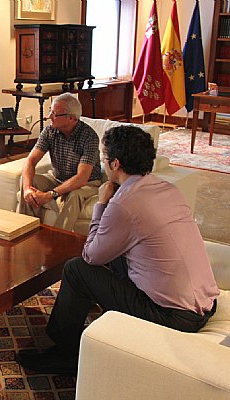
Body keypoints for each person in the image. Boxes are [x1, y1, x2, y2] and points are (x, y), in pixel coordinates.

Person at [16, 125, 219, 375]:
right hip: (206, 303)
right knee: (117, 254)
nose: (103, 164)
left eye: (104, 158)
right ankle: (97, 320)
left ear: (115, 163)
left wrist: (102, 203)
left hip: (172, 316)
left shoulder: (124, 203)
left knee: (76, 270)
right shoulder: (167, 189)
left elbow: (90, 256)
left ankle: (65, 353)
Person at [18, 92, 102, 230]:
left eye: (54, 114)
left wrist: (50, 195)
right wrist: (27, 189)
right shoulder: (49, 131)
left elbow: (81, 178)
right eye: (50, 111)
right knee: (29, 180)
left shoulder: (89, 137)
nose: (49, 116)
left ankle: (59, 237)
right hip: (57, 178)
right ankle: (24, 230)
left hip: (88, 183)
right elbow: (31, 161)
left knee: (74, 195)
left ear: (71, 118)